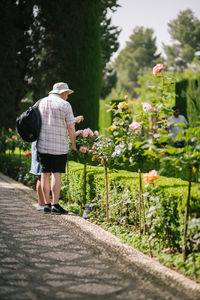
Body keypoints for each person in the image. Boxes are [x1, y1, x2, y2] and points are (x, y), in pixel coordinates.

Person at [37, 82, 77, 215]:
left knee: (44, 173)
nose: (67, 96)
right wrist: (73, 145)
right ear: (62, 93)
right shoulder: (65, 105)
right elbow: (71, 127)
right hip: (59, 146)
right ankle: (55, 204)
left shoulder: (42, 102)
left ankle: (46, 204)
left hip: (42, 144)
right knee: (56, 174)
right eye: (67, 93)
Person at [30, 141, 45, 211]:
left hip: (40, 144)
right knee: (41, 175)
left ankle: (42, 203)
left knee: (42, 176)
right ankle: (41, 204)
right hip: (40, 145)